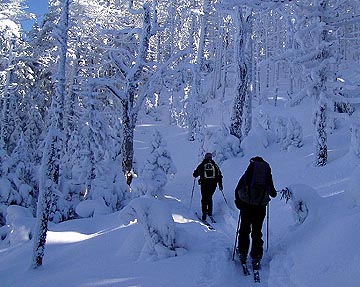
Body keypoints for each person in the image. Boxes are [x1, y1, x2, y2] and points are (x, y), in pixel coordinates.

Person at [234, 156, 277, 270]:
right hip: (260, 207)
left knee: (244, 230)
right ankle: (256, 256)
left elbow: (238, 188)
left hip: (246, 206)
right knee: (257, 231)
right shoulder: (267, 174)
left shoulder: (248, 172)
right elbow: (273, 193)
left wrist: (239, 203)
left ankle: (243, 253)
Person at [193, 152, 223, 221]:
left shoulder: (202, 164)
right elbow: (219, 176)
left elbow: (195, 174)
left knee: (204, 198)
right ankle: (209, 213)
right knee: (209, 197)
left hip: (204, 184)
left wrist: (195, 175)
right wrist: (220, 185)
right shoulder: (215, 165)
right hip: (213, 184)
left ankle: (204, 214)